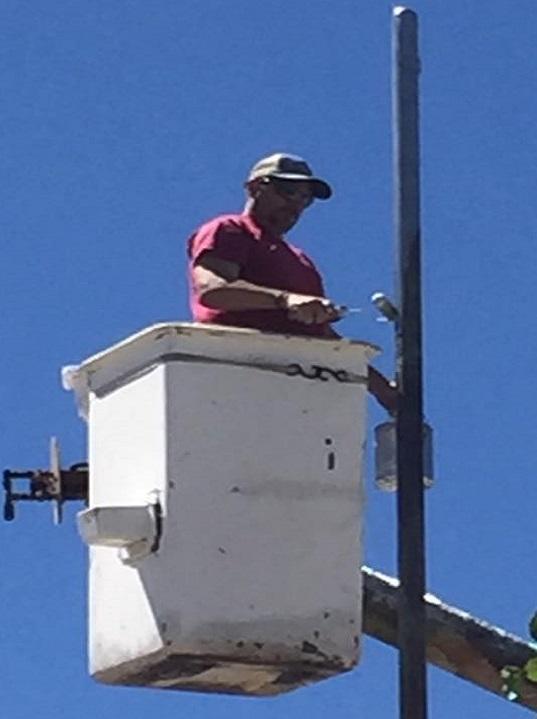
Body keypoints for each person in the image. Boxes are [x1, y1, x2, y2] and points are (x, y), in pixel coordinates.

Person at [186, 152, 396, 412]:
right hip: (236, 366)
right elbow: (212, 289)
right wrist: (286, 300)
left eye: (305, 199)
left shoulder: (300, 261)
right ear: (255, 188)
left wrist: (382, 389)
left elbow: (322, 334)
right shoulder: (229, 229)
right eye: (288, 191)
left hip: (292, 385)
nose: (296, 205)